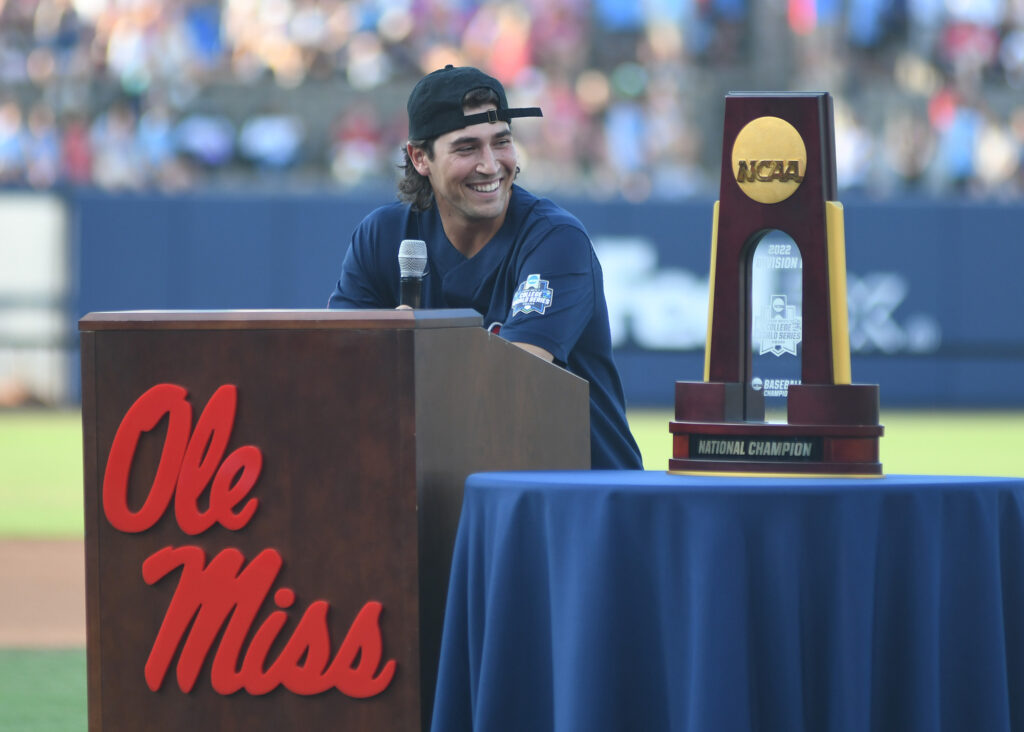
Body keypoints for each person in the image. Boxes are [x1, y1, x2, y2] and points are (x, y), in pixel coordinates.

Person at [327, 65, 642, 470]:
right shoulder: (382, 236)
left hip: (581, 499)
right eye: (467, 148)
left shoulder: (555, 239)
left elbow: (509, 383)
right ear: (419, 157)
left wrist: (411, 351)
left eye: (502, 142)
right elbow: (338, 370)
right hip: (451, 494)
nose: (491, 165)